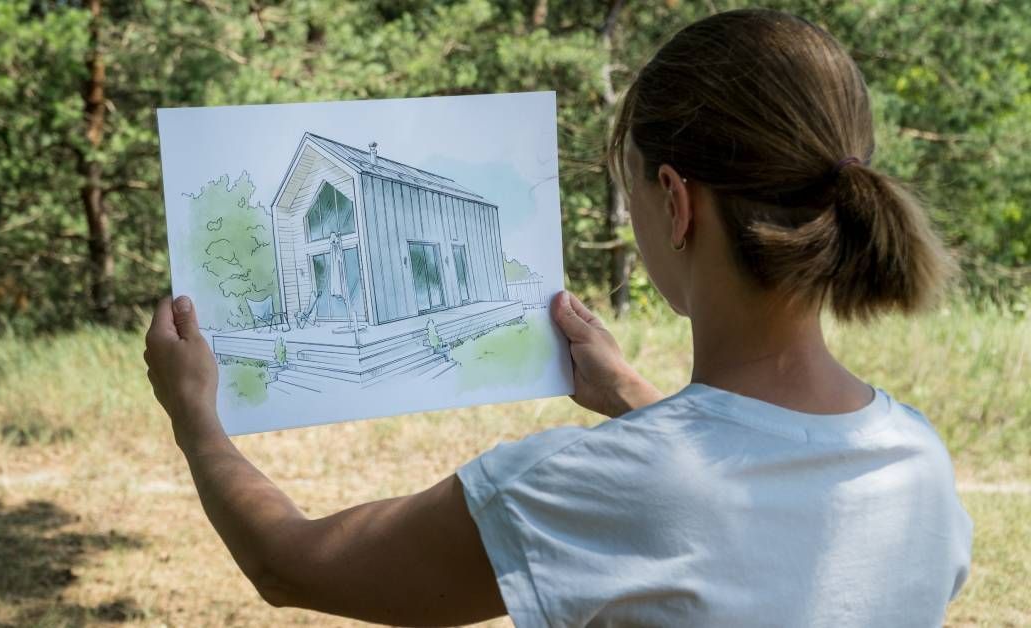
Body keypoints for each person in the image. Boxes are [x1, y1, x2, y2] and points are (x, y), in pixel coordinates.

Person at [144, 9, 972, 627]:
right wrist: (632, 396)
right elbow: (749, 496)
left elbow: (292, 565)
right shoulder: (918, 462)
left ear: (676, 203)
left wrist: (198, 422)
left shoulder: (598, 488)